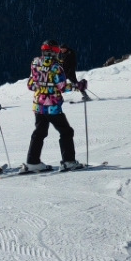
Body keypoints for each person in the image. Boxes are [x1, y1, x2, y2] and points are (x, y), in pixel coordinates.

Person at [24, 39, 87, 172]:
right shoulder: (55, 67)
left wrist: (42, 86)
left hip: (38, 105)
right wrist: (78, 86)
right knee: (66, 131)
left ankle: (32, 162)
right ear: (54, 52)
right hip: (52, 106)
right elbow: (62, 87)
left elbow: (31, 85)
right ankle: (68, 161)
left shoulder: (35, 63)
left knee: (39, 132)